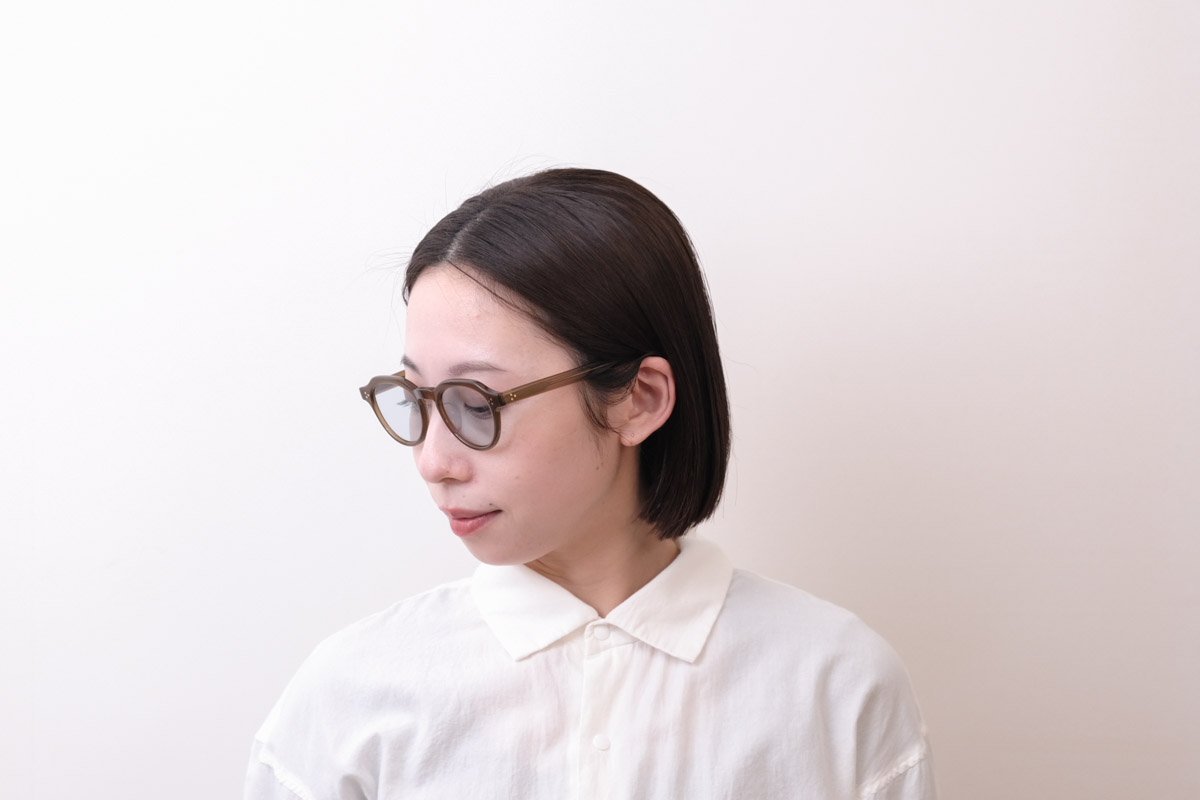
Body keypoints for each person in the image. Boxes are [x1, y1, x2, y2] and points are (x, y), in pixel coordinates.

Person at [244, 168, 937, 799]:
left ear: (639, 399)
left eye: (476, 405)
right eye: (417, 399)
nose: (434, 461)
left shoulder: (837, 686)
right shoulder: (352, 699)